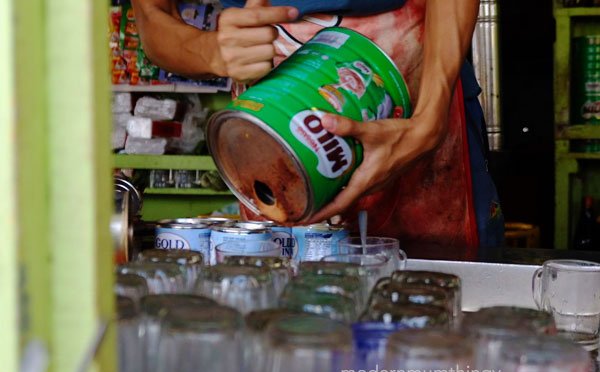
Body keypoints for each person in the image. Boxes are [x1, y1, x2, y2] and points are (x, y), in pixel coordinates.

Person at [132, 0, 504, 247]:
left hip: (416, 79)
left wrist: (429, 120)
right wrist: (210, 50)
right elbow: (152, 19)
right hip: (274, 114)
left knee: (436, 327)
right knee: (296, 322)